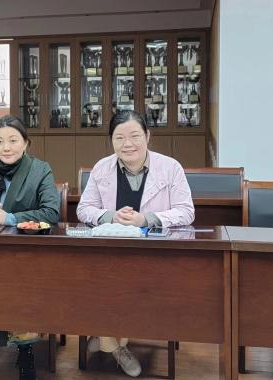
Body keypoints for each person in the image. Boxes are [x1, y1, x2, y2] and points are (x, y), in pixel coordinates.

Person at [76, 109, 194, 377]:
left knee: (133, 286)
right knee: (97, 281)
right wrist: (109, 215)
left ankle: (106, 340)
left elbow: (187, 212)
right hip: (109, 253)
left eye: (134, 136)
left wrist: (146, 219)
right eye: (119, 138)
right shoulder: (102, 168)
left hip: (153, 254)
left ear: (147, 136)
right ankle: (114, 345)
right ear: (111, 141)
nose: (127, 144)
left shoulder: (170, 167)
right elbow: (84, 209)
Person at [0, 115, 60, 380]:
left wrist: (10, 218)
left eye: (13, 140)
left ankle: (25, 352)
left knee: (19, 282)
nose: (6, 147)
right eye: (0, 141)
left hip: (26, 250)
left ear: (26, 143)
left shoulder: (40, 170)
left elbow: (51, 212)